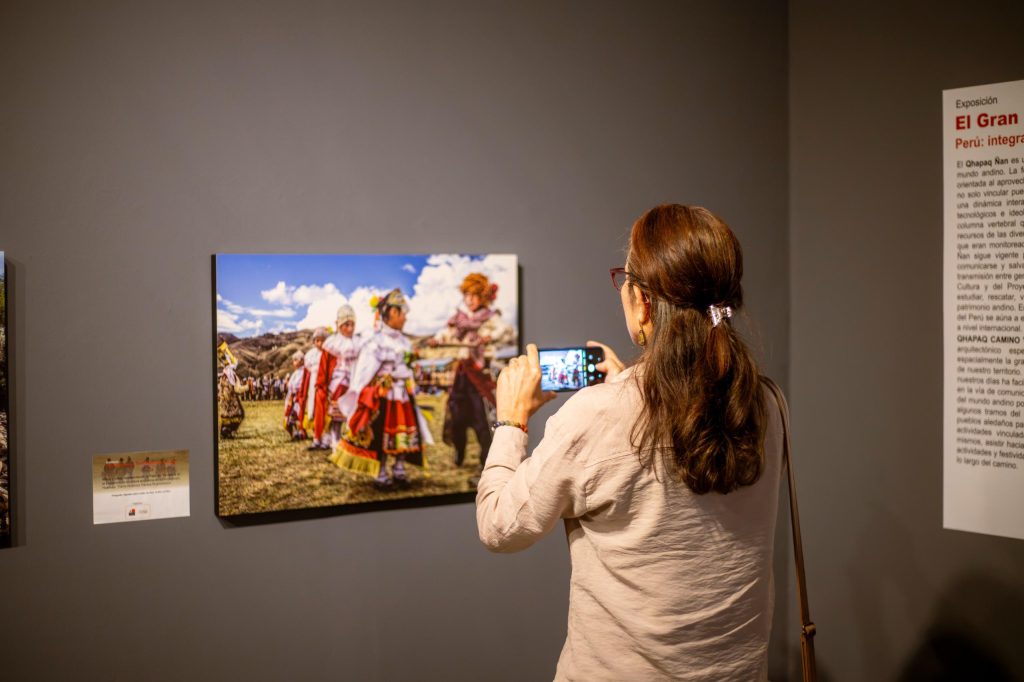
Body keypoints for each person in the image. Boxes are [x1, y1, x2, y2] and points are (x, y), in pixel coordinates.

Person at [476, 204, 784, 681]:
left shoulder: (598, 414)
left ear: (642, 301)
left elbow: (500, 526)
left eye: (624, 278)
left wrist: (511, 422)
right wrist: (628, 387)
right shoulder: (766, 403)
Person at [332, 289, 434, 489]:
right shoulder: (375, 342)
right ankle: (380, 473)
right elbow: (364, 372)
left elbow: (407, 367)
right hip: (384, 397)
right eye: (402, 313)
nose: (405, 318)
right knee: (381, 435)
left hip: (403, 396)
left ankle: (399, 469)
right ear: (393, 313)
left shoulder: (404, 342)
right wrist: (359, 393)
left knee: (404, 435)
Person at [429, 273, 513, 474]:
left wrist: (488, 336)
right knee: (457, 419)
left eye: (475, 295)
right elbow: (445, 333)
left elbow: (506, 331)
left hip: (479, 376)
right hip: (461, 376)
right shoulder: (459, 318)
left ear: (483, 297)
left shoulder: (491, 318)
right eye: (467, 295)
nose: (470, 299)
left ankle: (485, 461)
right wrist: (436, 340)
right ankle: (459, 453)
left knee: (481, 420)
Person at [323, 304, 362, 449]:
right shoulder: (333, 343)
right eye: (346, 325)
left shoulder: (358, 342)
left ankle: (351, 441)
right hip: (338, 382)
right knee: (336, 416)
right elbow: (326, 366)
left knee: (353, 414)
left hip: (354, 382)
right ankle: (335, 441)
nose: (350, 328)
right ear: (339, 325)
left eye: (352, 324)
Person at [303, 328, 331, 450]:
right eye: (317, 340)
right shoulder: (310, 355)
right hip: (313, 384)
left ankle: (326, 439)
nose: (320, 343)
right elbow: (309, 369)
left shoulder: (329, 354)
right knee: (313, 410)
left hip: (325, 384)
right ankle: (316, 437)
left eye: (322, 341)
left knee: (324, 412)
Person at [283, 350, 309, 440]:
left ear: (302, 360)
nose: (293, 362)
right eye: (293, 360)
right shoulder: (295, 372)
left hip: (298, 398)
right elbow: (291, 386)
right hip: (291, 398)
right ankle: (294, 434)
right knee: (288, 419)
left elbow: (299, 385)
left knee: (298, 417)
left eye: (296, 360)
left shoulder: (305, 372)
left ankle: (301, 433)